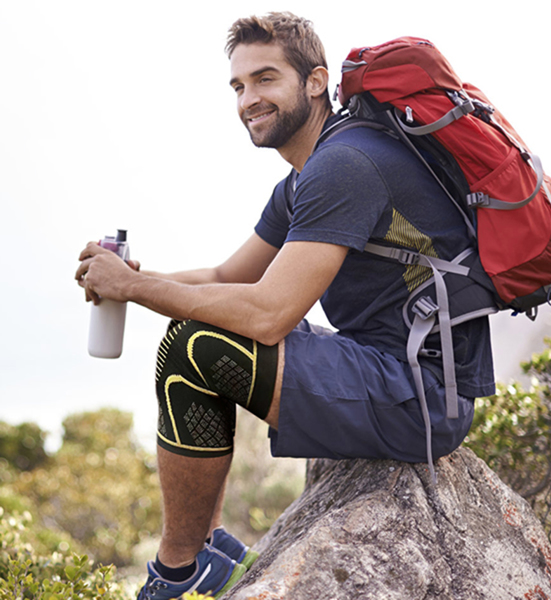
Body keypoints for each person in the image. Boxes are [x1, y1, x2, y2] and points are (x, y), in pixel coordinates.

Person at [76, 12, 495, 600]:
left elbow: (269, 314)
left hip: (421, 398)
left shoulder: (344, 165)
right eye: (239, 85)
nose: (249, 99)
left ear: (316, 82)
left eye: (266, 79)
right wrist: (132, 277)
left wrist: (135, 291)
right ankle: (207, 551)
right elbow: (227, 276)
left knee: (197, 346)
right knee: (195, 329)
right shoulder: (305, 178)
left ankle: (176, 574)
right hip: (389, 372)